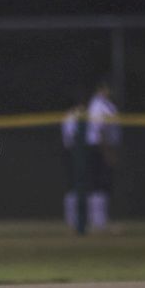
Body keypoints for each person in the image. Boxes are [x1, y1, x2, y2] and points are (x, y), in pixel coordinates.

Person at [84, 77, 119, 233]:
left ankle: (100, 221)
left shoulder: (106, 105)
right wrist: (107, 151)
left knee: (102, 183)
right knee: (99, 182)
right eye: (107, 88)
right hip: (98, 146)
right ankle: (98, 222)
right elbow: (101, 130)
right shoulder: (98, 105)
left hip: (102, 146)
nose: (109, 91)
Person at [61, 97, 87, 234]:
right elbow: (71, 136)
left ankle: (79, 221)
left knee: (79, 186)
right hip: (72, 152)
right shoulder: (71, 117)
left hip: (79, 152)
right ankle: (72, 220)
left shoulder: (80, 117)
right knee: (73, 186)